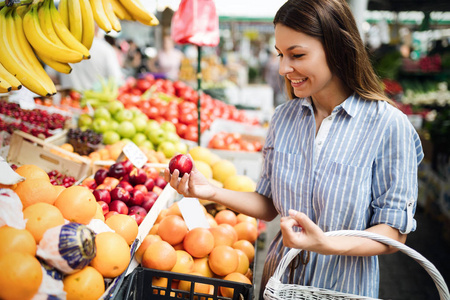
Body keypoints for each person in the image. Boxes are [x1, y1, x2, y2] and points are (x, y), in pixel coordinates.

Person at [164, 0, 424, 299]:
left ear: (338, 49)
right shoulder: (284, 118)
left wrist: (323, 243)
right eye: (280, 54)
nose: (284, 68)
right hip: (278, 284)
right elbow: (269, 203)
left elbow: (393, 233)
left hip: (342, 289)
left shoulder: (388, 126)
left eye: (297, 55)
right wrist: (210, 191)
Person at [47, 27, 124, 91]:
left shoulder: (62, 45)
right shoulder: (107, 50)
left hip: (67, 101)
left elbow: (50, 76)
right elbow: (117, 81)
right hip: (94, 104)